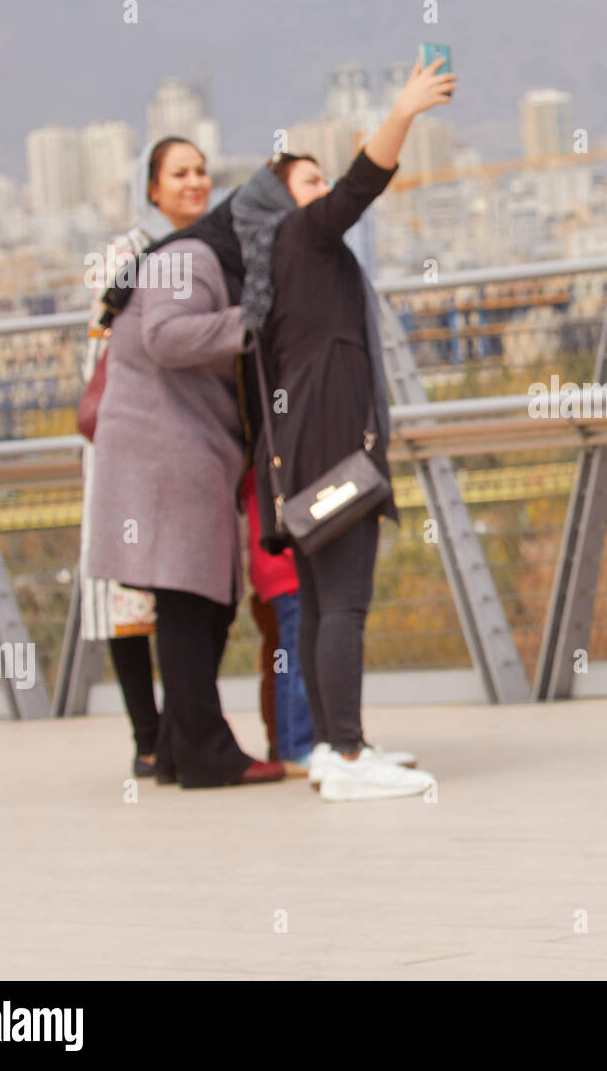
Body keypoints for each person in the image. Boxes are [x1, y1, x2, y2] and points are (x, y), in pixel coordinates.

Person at [233, 55, 454, 801]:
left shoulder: (284, 265)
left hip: (299, 452)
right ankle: (350, 756)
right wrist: (405, 110)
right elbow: (366, 181)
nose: (322, 192)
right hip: (331, 446)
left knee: (325, 601)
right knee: (345, 602)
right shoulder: (302, 237)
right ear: (280, 201)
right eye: (307, 182)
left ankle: (333, 747)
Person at [86, 156, 284, 789]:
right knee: (191, 601)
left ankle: (177, 747)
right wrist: (251, 324)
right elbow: (168, 338)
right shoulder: (188, 257)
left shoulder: (194, 252)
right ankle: (204, 753)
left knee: (197, 601)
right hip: (169, 450)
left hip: (179, 448)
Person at [78, 137, 210, 778]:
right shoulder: (125, 255)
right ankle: (149, 737)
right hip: (131, 440)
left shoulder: (214, 247)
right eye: (179, 173)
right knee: (128, 594)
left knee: (193, 585)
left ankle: (186, 730)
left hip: (194, 442)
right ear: (151, 187)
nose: (194, 181)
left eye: (201, 171)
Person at [241, 469, 315, 773]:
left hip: (269, 570)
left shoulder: (254, 461)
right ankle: (294, 746)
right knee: (290, 660)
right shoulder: (270, 461)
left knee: (280, 659)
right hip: (284, 567)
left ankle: (285, 743)